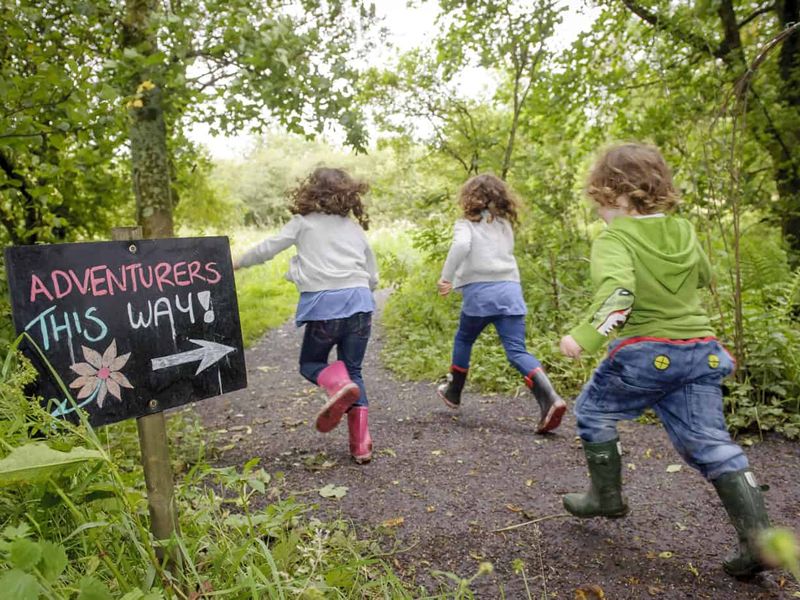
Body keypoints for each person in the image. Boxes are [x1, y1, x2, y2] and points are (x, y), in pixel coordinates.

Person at [559, 143, 772, 578]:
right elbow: (704, 276)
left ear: (617, 195)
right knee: (712, 445)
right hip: (699, 352)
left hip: (646, 351)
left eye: (600, 201)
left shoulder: (615, 239)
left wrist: (582, 337)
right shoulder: (683, 231)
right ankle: (760, 541)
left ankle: (606, 497)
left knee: (594, 411)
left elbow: (619, 297)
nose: (599, 211)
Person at [234, 167, 378, 464]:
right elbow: (372, 274)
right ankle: (361, 446)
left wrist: (237, 262)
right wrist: (363, 290)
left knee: (311, 363)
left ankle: (338, 386)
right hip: (361, 302)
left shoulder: (303, 223)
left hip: (326, 306)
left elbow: (268, 248)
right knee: (355, 370)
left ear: (312, 192)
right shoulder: (353, 228)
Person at [436, 173, 566, 433]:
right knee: (517, 351)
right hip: (510, 291)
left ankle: (454, 391)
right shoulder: (505, 224)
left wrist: (446, 278)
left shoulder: (466, 224)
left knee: (464, 339)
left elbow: (461, 246)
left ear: (469, 198)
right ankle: (550, 398)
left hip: (481, 294)